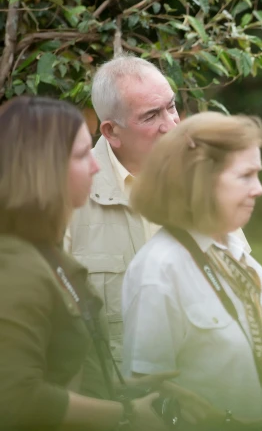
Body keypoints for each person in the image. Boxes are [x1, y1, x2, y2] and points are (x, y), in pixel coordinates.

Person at [0, 96, 165, 431]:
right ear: (42, 169)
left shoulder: (44, 253)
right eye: (80, 155)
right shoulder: (15, 265)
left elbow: (66, 376)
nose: (95, 165)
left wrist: (143, 391)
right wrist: (128, 414)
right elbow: (15, 399)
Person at [122, 112, 262, 427]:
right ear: (199, 179)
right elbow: (149, 401)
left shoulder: (239, 254)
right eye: (245, 176)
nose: (259, 189)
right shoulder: (159, 270)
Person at [65, 55, 180, 366]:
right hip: (117, 405)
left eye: (171, 107)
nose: (170, 126)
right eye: (151, 116)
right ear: (111, 132)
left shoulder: (203, 182)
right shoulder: (68, 199)